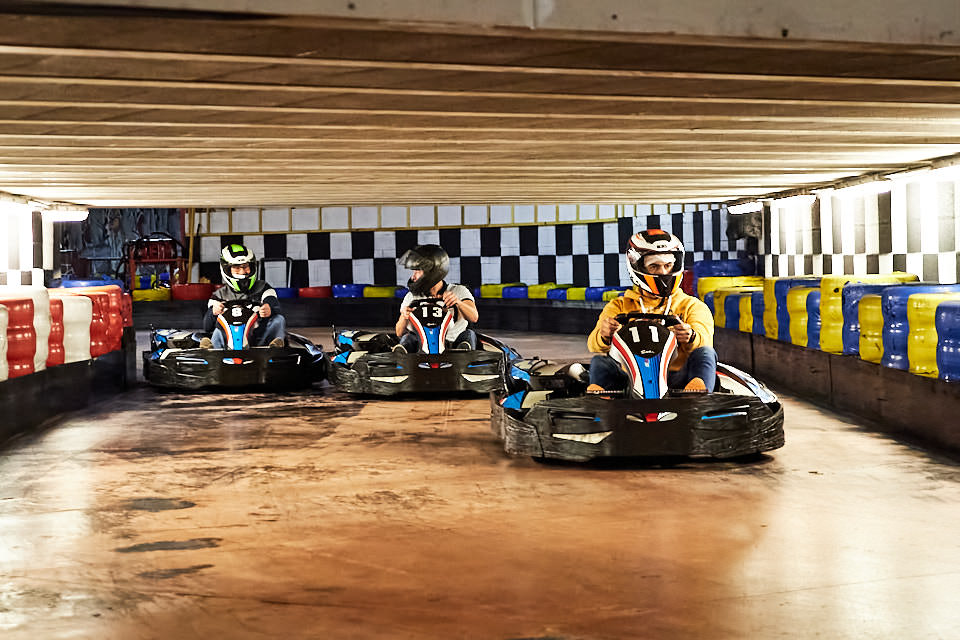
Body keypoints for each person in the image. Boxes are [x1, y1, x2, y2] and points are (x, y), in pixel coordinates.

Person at [587, 229, 716, 393]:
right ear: (638, 267)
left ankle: (698, 397)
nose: (663, 272)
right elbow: (593, 345)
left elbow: (705, 341)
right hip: (630, 379)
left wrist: (691, 337)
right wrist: (604, 335)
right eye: (654, 266)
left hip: (676, 378)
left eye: (668, 265)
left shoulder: (692, 306)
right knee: (599, 361)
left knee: (706, 353)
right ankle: (600, 400)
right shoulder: (619, 306)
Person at [393, 244, 479, 353]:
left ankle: (464, 354)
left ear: (432, 271)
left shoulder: (458, 291)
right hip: (422, 347)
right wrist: (405, 317)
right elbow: (399, 332)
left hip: (452, 346)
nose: (413, 277)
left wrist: (458, 302)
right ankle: (402, 354)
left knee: (469, 334)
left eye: (417, 271)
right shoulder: (411, 296)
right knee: (408, 337)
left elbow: (474, 317)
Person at [199, 243, 286, 349]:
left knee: (278, 320)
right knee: (218, 328)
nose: (242, 272)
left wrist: (269, 308)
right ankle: (211, 351)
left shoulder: (263, 288)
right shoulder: (219, 295)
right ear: (227, 270)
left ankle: (274, 349)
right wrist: (213, 312)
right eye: (236, 267)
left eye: (245, 266)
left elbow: (275, 305)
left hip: (258, 341)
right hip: (228, 343)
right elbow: (207, 327)